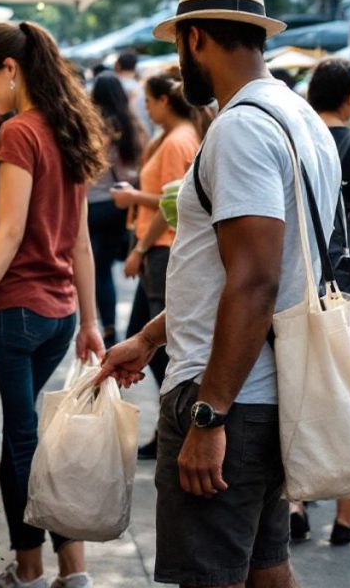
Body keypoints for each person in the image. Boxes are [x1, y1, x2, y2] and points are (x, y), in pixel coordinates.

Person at [98, 0, 340, 588]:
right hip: (269, 387)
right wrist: (151, 339)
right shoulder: (300, 117)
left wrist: (210, 416)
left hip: (232, 393)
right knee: (266, 565)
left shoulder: (240, 128)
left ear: (195, 37)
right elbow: (241, 271)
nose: (181, 67)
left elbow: (255, 279)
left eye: (180, 49)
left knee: (215, 576)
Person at [0, 21, 108, 588]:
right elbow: (80, 240)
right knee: (36, 440)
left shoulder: (17, 133)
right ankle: (75, 570)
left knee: (21, 445)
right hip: (57, 315)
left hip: (13, 312)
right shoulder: (67, 129)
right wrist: (90, 320)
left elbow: (9, 234)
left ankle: (31, 569)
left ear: (11, 69)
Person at [112, 68, 206, 457]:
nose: (146, 109)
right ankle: (172, 428)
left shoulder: (177, 141)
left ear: (165, 100)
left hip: (162, 247)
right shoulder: (175, 137)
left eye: (149, 102)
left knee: (166, 346)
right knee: (143, 334)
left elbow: (171, 206)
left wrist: (134, 204)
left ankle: (178, 427)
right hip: (159, 246)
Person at [305, 57, 350, 545]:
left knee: (299, 387)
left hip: (299, 282)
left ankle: (294, 501)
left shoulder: (299, 139)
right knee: (348, 391)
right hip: (348, 286)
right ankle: (345, 515)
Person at [87, 72, 145, 348]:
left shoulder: (94, 125)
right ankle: (108, 326)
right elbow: (140, 164)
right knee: (105, 267)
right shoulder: (131, 124)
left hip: (93, 204)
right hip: (120, 204)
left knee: (96, 270)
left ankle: (103, 326)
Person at [115, 51, 152, 136]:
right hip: (145, 132)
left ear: (118, 65)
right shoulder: (141, 87)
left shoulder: (115, 86)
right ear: (135, 66)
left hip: (126, 134)